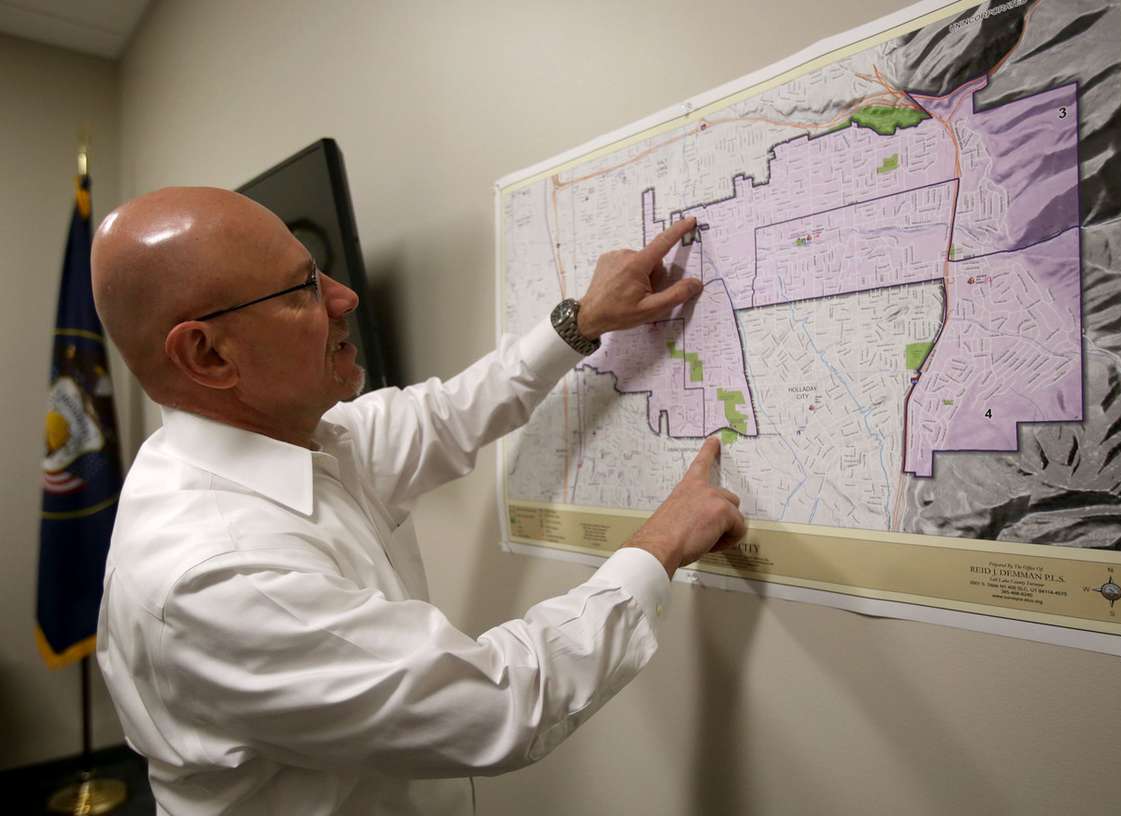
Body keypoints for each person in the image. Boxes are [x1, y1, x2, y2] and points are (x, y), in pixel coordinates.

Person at [92, 187, 746, 814]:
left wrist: (581, 320)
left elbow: (447, 415)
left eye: (319, 272)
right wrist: (657, 547)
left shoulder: (294, 434)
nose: (344, 297)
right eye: (303, 290)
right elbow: (498, 704)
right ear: (207, 356)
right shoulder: (215, 578)